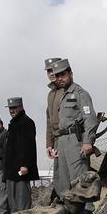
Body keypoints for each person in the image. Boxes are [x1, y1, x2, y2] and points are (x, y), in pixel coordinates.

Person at [48, 59, 99, 214]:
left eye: (62, 74)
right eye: (57, 76)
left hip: (75, 141)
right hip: (62, 141)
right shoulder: (62, 95)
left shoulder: (80, 93)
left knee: (80, 179)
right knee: (63, 181)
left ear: (70, 73)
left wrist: (87, 142)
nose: (59, 78)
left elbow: (90, 119)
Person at [4, 97, 38, 214]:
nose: (12, 110)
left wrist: (24, 164)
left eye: (14, 108)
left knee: (22, 197)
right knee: (13, 199)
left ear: (21, 107)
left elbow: (28, 145)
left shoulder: (26, 122)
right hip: (12, 169)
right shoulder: (14, 123)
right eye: (10, 108)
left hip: (21, 168)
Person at [44, 57, 62, 201]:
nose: (51, 73)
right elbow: (49, 121)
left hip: (72, 139)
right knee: (59, 177)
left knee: (75, 177)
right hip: (57, 141)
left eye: (53, 69)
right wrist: (49, 144)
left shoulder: (69, 90)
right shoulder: (51, 94)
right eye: (48, 70)